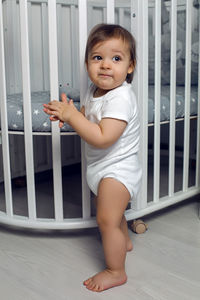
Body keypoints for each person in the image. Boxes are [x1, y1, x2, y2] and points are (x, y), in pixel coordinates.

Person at [43, 23, 142, 292]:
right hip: (101, 167)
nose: (106, 65)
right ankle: (124, 242)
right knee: (114, 215)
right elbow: (88, 119)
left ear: (130, 66)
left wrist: (73, 117)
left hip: (118, 168)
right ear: (87, 63)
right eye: (98, 58)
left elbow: (102, 137)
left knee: (106, 219)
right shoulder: (94, 89)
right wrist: (70, 115)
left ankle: (115, 270)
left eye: (116, 58)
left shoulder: (121, 98)